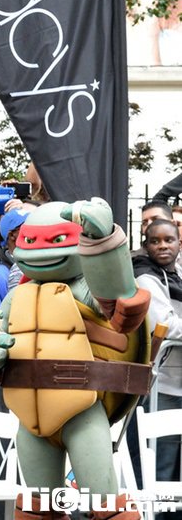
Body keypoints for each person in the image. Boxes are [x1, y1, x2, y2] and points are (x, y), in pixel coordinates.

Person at [132, 219, 182, 516]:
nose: (162, 246)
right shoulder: (145, 276)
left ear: (179, 243)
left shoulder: (178, 274)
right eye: (155, 241)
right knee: (162, 468)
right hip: (164, 387)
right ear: (146, 245)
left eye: (169, 240)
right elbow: (165, 325)